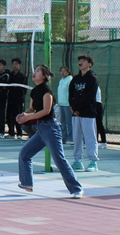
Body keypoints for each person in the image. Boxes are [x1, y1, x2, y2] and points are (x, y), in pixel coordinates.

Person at [16, 65, 85, 198]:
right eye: (35, 70)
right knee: (24, 154)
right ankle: (27, 183)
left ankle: (76, 188)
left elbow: (46, 111)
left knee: (59, 159)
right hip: (41, 129)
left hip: (51, 129)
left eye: (38, 71)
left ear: (44, 76)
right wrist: (23, 114)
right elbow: (32, 109)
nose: (34, 73)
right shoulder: (34, 91)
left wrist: (28, 118)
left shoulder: (47, 91)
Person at [69, 54, 100, 172]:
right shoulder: (75, 79)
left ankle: (93, 161)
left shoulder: (92, 78)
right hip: (76, 113)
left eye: (83, 60)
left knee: (90, 137)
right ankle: (77, 161)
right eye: (80, 60)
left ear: (89, 64)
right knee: (77, 137)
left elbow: (90, 96)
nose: (80, 62)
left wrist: (80, 109)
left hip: (87, 112)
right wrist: (73, 108)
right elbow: (71, 94)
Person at [5, 58, 28, 140]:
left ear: (19, 65)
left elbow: (23, 89)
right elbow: (8, 86)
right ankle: (11, 133)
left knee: (18, 116)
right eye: (13, 64)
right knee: (9, 116)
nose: (15, 66)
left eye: (16, 64)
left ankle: (19, 133)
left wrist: (17, 87)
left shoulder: (22, 75)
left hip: (18, 99)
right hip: (10, 98)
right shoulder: (10, 74)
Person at [56, 66, 73, 144]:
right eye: (61, 71)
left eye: (64, 71)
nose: (62, 73)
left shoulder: (70, 80)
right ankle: (63, 137)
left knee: (69, 122)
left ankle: (71, 138)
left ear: (68, 72)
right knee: (63, 122)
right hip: (61, 104)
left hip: (67, 104)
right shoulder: (61, 80)